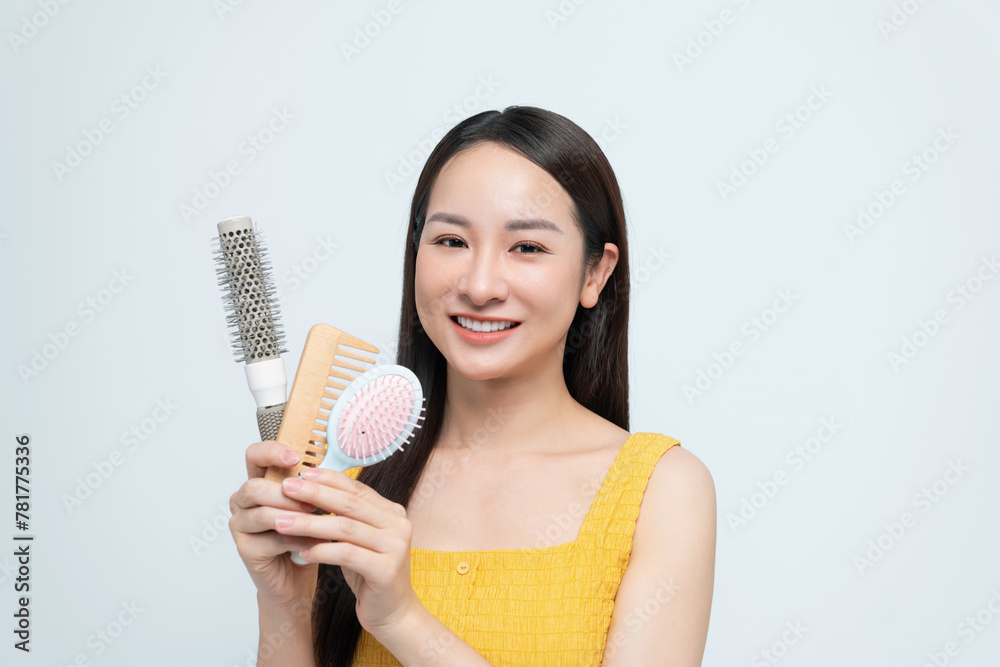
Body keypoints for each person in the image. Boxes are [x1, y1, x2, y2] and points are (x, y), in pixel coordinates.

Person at [229, 106, 716, 666]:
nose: (481, 287)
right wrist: (284, 604)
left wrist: (402, 621)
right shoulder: (341, 485)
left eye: (527, 247)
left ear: (594, 274)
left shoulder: (661, 492)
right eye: (451, 241)